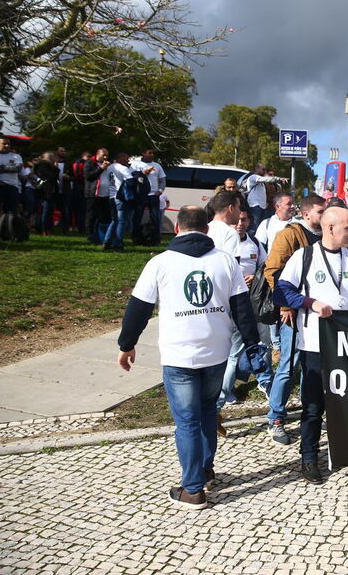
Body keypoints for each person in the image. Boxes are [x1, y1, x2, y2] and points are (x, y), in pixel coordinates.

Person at [117, 205, 259, 509]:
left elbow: (137, 309)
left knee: (187, 422)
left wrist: (127, 344)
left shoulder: (160, 263)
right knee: (207, 412)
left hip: (179, 355)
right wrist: (252, 344)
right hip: (216, 353)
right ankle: (205, 469)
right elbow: (242, 309)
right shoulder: (226, 262)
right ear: (206, 230)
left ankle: (193, 488)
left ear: (178, 228)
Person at [273, 206, 348, 483]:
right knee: (314, 405)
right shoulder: (305, 256)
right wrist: (309, 303)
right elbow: (281, 290)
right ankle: (309, 458)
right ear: (330, 228)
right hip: (315, 344)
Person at [262, 204, 314, 444]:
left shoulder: (327, 237)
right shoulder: (291, 233)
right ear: (307, 213)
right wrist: (284, 305)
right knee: (289, 365)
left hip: (314, 315)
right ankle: (276, 418)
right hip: (293, 312)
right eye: (320, 211)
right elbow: (272, 270)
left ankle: (308, 413)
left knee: (309, 366)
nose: (325, 216)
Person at [218, 207, 273, 410]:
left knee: (263, 344)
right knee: (234, 351)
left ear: (249, 222)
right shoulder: (223, 244)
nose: (240, 224)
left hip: (255, 302)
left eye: (244, 220)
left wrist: (256, 275)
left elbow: (266, 265)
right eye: (237, 220)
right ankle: (223, 394)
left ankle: (265, 381)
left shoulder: (255, 243)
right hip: (233, 304)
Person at [104, 152, 138, 251]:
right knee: (122, 221)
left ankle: (107, 241)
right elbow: (131, 181)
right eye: (127, 158)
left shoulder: (110, 167)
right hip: (121, 197)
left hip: (111, 196)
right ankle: (118, 244)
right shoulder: (123, 168)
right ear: (121, 158)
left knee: (114, 220)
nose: (128, 160)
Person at [131, 149, 166, 245]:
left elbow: (162, 180)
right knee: (137, 217)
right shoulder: (136, 164)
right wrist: (142, 173)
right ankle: (136, 238)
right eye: (149, 153)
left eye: (153, 153)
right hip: (140, 195)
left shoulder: (157, 165)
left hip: (153, 195)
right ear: (143, 153)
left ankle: (156, 240)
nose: (152, 155)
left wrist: (160, 191)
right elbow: (130, 177)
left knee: (155, 218)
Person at [0, 136, 23, 230]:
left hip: (12, 186)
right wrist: (8, 167)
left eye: (8, 144)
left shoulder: (16, 156)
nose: (7, 145)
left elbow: (17, 168)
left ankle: (10, 232)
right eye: (4, 143)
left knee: (12, 210)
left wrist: (0, 167)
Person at [243, 164, 286, 232]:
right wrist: (278, 178)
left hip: (262, 208)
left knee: (261, 229)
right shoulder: (253, 177)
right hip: (255, 207)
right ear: (257, 169)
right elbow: (265, 179)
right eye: (263, 169)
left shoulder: (262, 183)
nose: (264, 171)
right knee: (254, 228)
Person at [84, 148, 112, 244]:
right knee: (91, 216)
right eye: (103, 155)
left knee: (105, 217)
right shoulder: (90, 163)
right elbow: (88, 176)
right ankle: (90, 236)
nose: (105, 157)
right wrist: (100, 169)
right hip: (93, 194)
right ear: (97, 154)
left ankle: (102, 236)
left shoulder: (108, 164)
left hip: (105, 194)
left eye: (107, 155)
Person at [205, 191, 241, 260]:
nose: (240, 211)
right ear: (231, 208)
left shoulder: (203, 229)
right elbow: (232, 265)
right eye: (238, 207)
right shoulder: (230, 233)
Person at [34, 152, 60, 235]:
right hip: (45, 192)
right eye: (52, 157)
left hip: (48, 192)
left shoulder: (44, 166)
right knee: (46, 211)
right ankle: (44, 229)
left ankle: (45, 229)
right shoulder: (43, 165)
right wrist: (56, 168)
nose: (54, 158)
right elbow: (52, 177)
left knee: (47, 211)